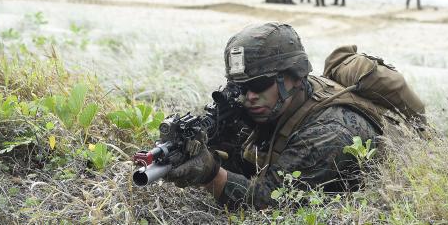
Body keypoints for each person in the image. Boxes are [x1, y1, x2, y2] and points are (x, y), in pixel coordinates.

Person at [164, 22, 423, 210]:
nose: (248, 97)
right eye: (239, 88)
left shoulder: (330, 131)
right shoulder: (277, 101)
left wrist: (211, 174)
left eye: (258, 85)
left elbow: (269, 202)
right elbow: (254, 163)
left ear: (294, 76)